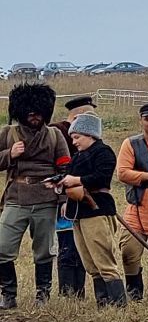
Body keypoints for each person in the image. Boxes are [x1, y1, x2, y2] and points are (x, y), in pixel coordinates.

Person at [0, 82, 69, 308]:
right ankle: (8, 295)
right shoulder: (8, 134)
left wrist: (62, 200)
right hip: (16, 198)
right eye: (29, 113)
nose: (34, 117)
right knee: (2, 248)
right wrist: (10, 154)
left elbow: (64, 169)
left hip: (46, 200)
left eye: (38, 112)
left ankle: (43, 294)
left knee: (44, 251)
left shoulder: (55, 135)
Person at [53, 112, 126, 306]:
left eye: (77, 137)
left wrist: (76, 180)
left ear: (90, 134)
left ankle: (118, 304)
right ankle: (103, 303)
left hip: (97, 211)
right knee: (90, 263)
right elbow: (69, 177)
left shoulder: (104, 152)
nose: (74, 142)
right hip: (78, 211)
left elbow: (102, 177)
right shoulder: (78, 156)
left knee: (104, 262)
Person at [115, 102, 148, 300]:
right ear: (141, 121)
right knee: (128, 251)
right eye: (147, 119)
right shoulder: (130, 143)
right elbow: (122, 173)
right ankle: (134, 292)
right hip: (138, 206)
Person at [52, 95, 94, 296]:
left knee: (80, 247)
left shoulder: (87, 137)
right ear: (81, 115)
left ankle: (79, 291)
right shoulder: (57, 131)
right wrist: (63, 198)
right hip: (63, 200)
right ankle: (67, 292)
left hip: (82, 199)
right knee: (67, 246)